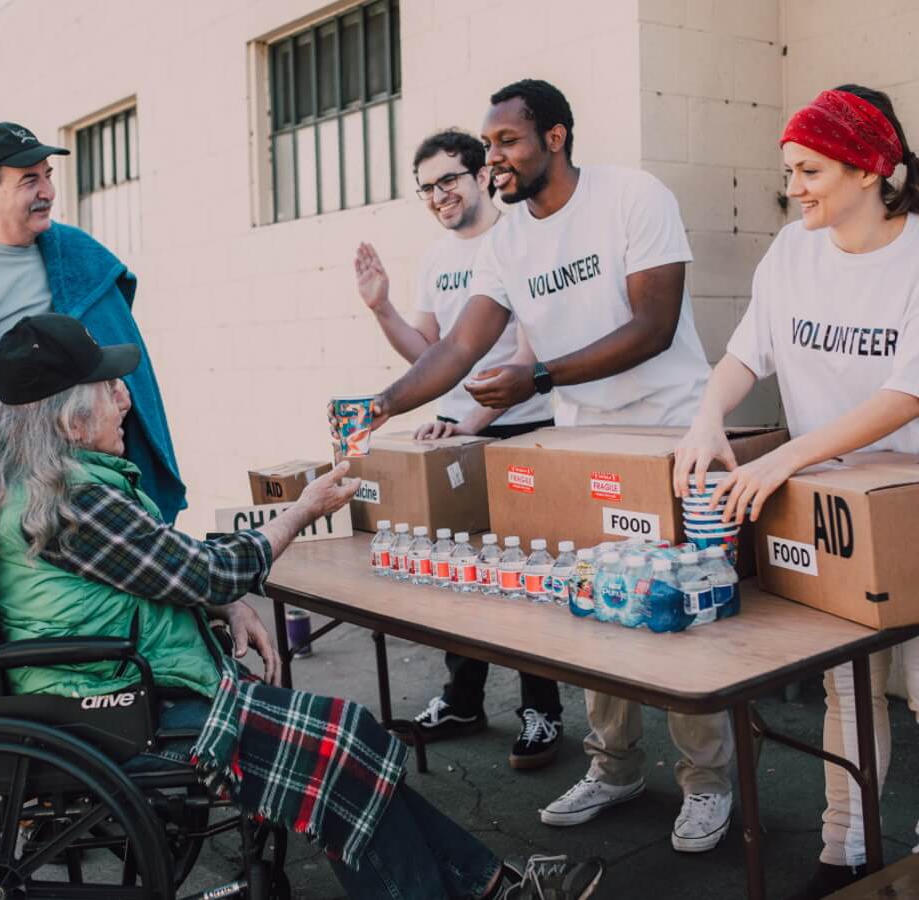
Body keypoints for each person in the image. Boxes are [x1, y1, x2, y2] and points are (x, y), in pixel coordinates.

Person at [0, 312, 607, 900]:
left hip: (111, 691)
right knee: (342, 749)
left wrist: (222, 605)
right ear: (69, 419)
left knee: (349, 745)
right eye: (108, 390)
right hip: (122, 711)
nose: (126, 398)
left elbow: (155, 572)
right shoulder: (74, 501)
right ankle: (485, 888)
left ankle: (492, 886)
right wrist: (298, 514)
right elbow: (203, 570)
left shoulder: (34, 485)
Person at [362, 79, 733, 853]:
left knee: (680, 616)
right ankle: (614, 765)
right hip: (580, 441)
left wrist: (539, 376)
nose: (491, 158)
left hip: (667, 429)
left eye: (506, 142)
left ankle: (708, 784)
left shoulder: (633, 196)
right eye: (488, 144)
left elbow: (656, 325)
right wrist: (383, 403)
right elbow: (459, 349)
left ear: (555, 138)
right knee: (594, 608)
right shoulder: (507, 242)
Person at [674, 84, 919, 899]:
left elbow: (905, 396)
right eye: (790, 171)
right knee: (845, 679)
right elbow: (749, 353)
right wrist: (711, 414)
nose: (795, 188)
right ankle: (845, 850)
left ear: (872, 167)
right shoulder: (791, 251)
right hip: (835, 508)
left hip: (909, 506)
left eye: (810, 170)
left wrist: (784, 460)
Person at [354, 127, 560, 765]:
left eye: (448, 180)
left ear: (480, 176)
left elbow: (530, 352)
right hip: (455, 434)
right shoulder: (437, 260)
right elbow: (432, 355)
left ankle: (541, 711)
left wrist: (466, 424)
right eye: (426, 188)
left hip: (521, 431)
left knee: (526, 577)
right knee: (458, 575)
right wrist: (382, 308)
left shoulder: (520, 241)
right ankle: (463, 700)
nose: (438, 195)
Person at [0, 121, 186, 522]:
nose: (47, 192)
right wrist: (61, 398)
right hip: (8, 483)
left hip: (91, 476)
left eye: (47, 176)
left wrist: (106, 392)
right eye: (29, 180)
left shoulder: (73, 252)